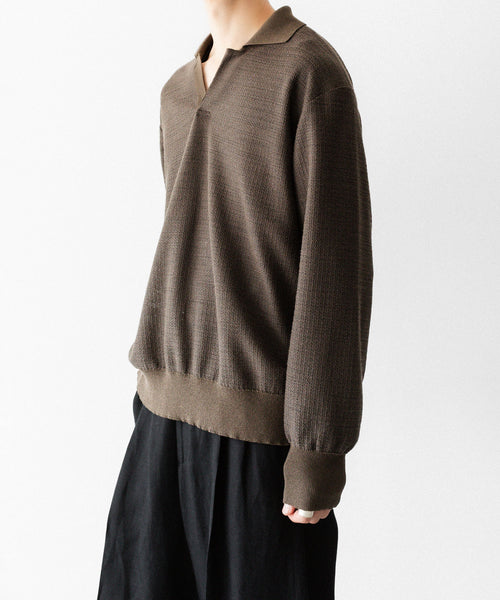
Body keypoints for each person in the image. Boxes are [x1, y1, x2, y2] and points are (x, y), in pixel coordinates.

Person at [97, 2, 373, 598]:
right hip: (158, 423)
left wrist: (317, 450)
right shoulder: (177, 91)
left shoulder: (310, 74)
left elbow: (334, 272)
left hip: (260, 441)